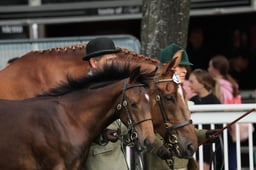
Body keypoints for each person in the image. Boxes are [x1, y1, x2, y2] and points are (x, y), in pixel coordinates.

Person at [144, 43, 219, 170]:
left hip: (183, 163)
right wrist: (159, 148)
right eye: (180, 66)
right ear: (166, 68)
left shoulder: (180, 94)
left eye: (185, 66)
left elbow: (182, 126)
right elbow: (146, 129)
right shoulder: (150, 95)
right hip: (161, 164)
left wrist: (205, 135)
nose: (185, 70)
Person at [81, 37, 129, 170]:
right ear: (94, 63)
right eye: (110, 61)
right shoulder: (83, 90)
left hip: (119, 158)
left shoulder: (117, 85)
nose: (115, 64)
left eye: (115, 60)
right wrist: (100, 134)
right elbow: (76, 127)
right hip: (96, 160)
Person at [208, 55, 242, 170]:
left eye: (210, 67)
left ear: (216, 69)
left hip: (223, 125)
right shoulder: (232, 83)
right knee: (232, 155)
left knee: (219, 157)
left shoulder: (217, 85)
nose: (208, 70)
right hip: (234, 124)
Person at [188, 68, 221, 170]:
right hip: (195, 142)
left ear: (202, 83)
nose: (189, 84)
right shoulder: (192, 100)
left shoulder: (214, 101)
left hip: (208, 144)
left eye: (192, 82)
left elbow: (218, 125)